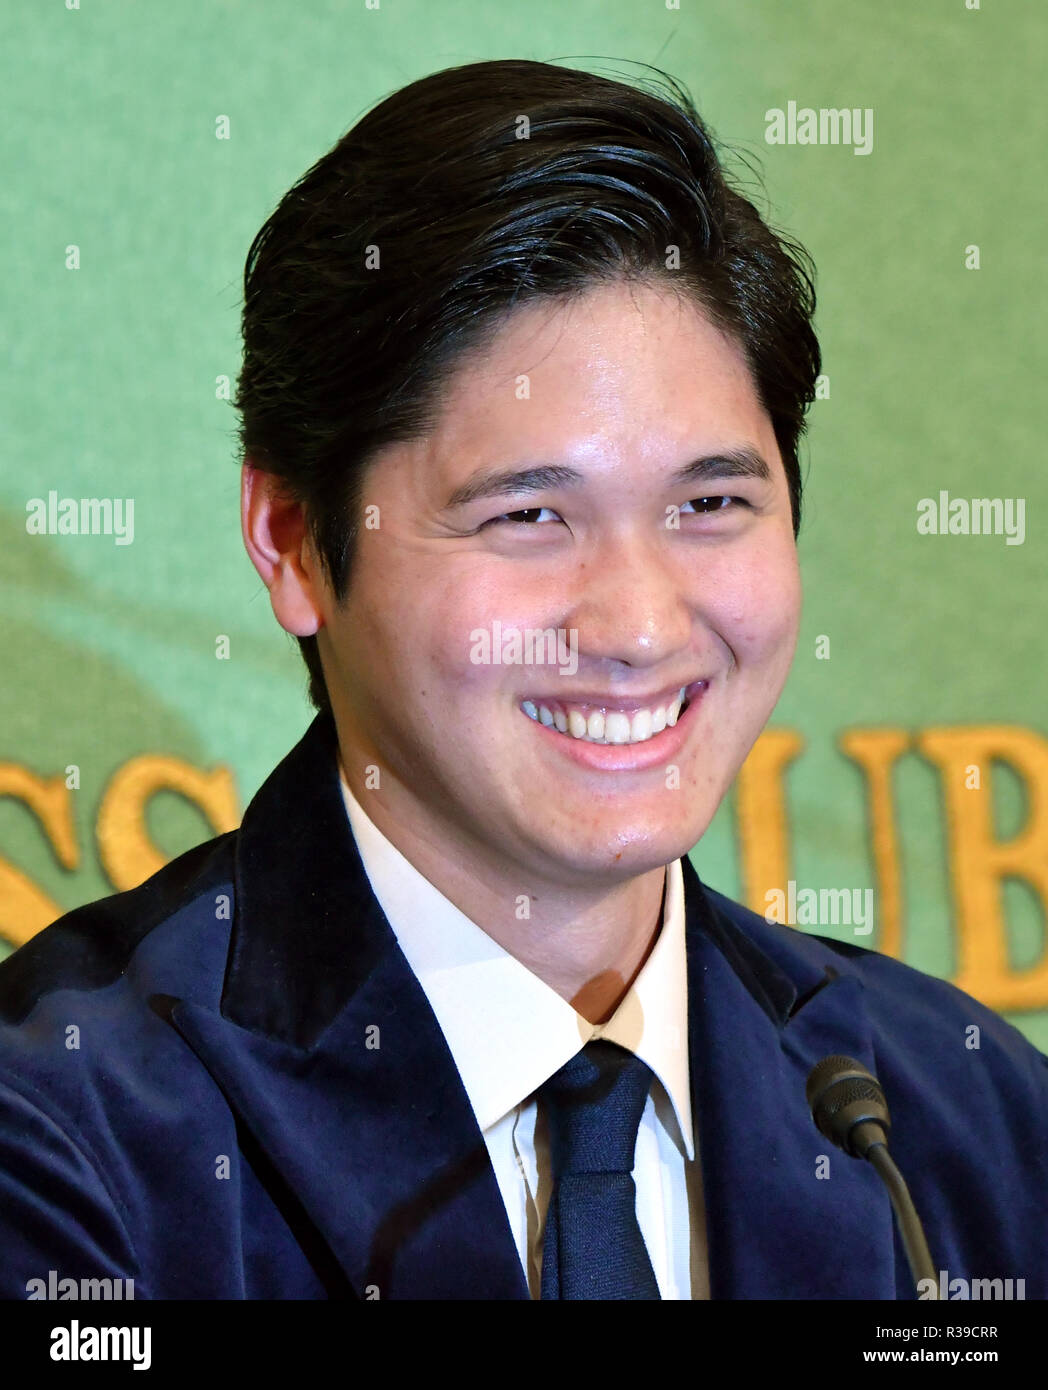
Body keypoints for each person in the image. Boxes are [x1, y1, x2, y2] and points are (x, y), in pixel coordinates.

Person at [0, 58, 1044, 1302]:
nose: (640, 624)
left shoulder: (962, 1114)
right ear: (289, 540)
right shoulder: (64, 1134)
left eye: (709, 503)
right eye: (529, 516)